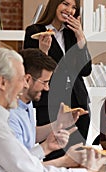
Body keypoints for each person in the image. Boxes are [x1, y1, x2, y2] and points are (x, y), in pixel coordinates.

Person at [0, 48, 106, 172]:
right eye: (21, 80)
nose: (24, 86)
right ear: (2, 82)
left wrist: (45, 147)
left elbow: (19, 161)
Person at [9, 48, 88, 172]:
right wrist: (61, 158)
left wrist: (59, 123)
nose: (47, 88)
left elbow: (31, 133)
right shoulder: (10, 116)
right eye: (44, 82)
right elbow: (21, 168)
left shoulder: (26, 104)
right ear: (27, 80)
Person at [24, 0, 92, 159]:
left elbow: (86, 70)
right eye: (65, 4)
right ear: (55, 4)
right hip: (50, 102)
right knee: (54, 153)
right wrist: (43, 51)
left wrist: (80, 37)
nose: (70, 10)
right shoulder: (35, 31)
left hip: (78, 102)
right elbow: (31, 70)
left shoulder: (72, 33)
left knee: (76, 156)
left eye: (74, 7)